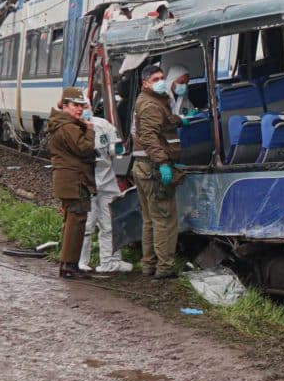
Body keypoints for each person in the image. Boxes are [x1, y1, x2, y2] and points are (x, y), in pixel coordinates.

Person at [132, 65, 187, 279]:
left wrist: (180, 120)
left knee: (149, 219)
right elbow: (149, 137)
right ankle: (164, 268)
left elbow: (161, 122)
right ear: (145, 83)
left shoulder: (151, 101)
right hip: (153, 168)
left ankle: (149, 265)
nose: (161, 81)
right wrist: (163, 162)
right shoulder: (150, 105)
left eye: (162, 77)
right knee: (165, 219)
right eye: (156, 78)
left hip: (143, 167)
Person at [47, 87, 97, 279]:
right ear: (65, 105)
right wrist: (90, 130)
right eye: (75, 105)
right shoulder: (68, 127)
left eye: (81, 106)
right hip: (74, 181)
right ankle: (69, 266)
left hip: (69, 180)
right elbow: (84, 148)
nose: (79, 109)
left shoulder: (64, 124)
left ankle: (69, 264)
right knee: (76, 222)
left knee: (73, 222)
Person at [78, 103, 133, 273]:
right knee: (86, 224)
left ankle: (109, 262)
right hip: (86, 183)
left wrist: (114, 149)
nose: (84, 109)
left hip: (107, 182)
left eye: (86, 105)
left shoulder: (103, 125)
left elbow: (116, 147)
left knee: (110, 222)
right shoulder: (71, 129)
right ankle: (80, 261)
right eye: (80, 106)